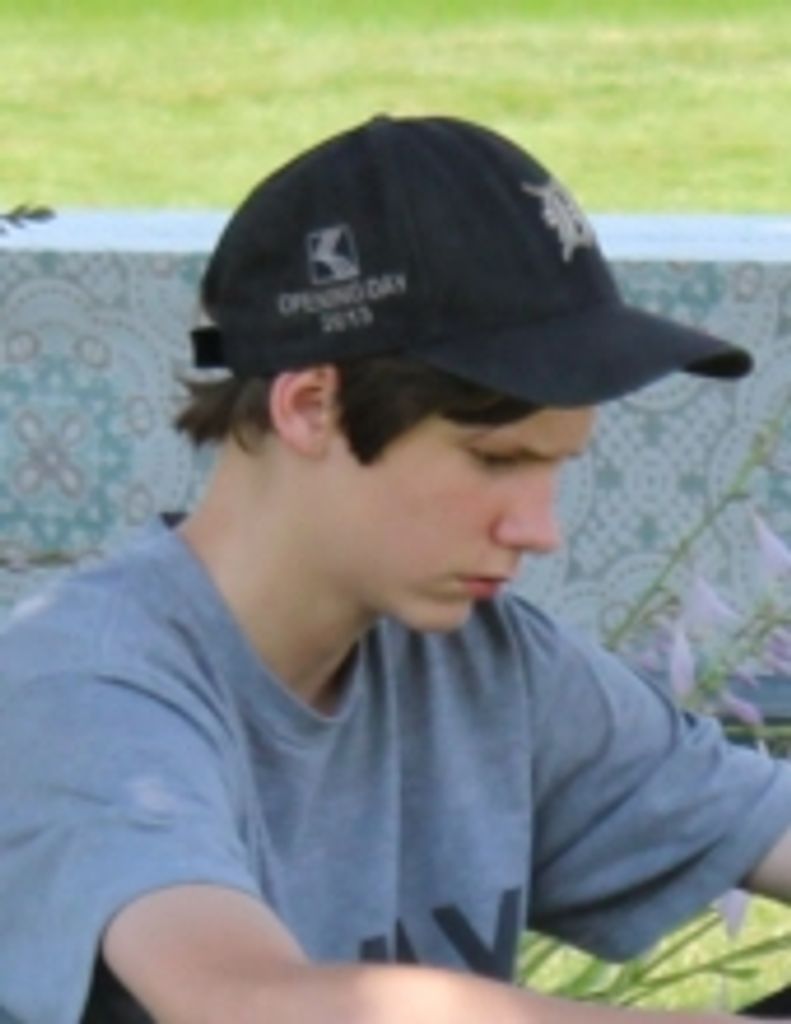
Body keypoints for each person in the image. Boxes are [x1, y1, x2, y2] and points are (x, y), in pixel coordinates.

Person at [0, 114, 789, 1024]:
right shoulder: (83, 691)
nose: (539, 530)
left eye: (555, 465)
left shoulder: (486, 666)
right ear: (310, 406)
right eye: (495, 460)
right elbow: (242, 1001)